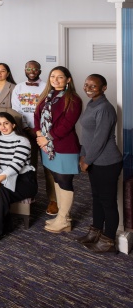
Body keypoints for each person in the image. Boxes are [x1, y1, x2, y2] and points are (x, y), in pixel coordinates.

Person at [77, 74, 122, 253]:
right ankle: (95, 232)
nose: (88, 88)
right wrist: (83, 154)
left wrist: (87, 160)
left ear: (104, 88)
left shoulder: (105, 108)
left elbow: (100, 139)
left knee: (108, 201)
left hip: (107, 162)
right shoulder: (92, 103)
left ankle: (108, 240)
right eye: (86, 84)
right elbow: (87, 134)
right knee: (96, 198)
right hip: (95, 160)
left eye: (93, 86)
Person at [34, 66, 82, 234]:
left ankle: (64, 219)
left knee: (64, 181)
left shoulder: (73, 99)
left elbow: (67, 125)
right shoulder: (47, 95)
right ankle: (63, 217)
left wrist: (46, 138)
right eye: (52, 76)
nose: (55, 79)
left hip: (64, 147)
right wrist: (39, 135)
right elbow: (37, 115)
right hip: (47, 147)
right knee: (56, 178)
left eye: (60, 77)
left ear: (68, 80)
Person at [0, 112, 37, 243]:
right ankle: (5, 224)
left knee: (0, 190)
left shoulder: (23, 140)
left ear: (13, 124)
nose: (3, 127)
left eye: (6, 123)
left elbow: (15, 165)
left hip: (24, 179)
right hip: (1, 175)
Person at [11, 61, 57, 215]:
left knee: (49, 167)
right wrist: (26, 128)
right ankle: (30, 195)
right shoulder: (18, 87)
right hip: (25, 133)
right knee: (29, 166)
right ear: (25, 70)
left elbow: (49, 110)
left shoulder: (47, 86)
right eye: (28, 68)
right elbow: (16, 111)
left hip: (44, 134)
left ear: (39, 70)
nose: (31, 71)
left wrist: (39, 131)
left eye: (34, 68)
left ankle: (53, 200)